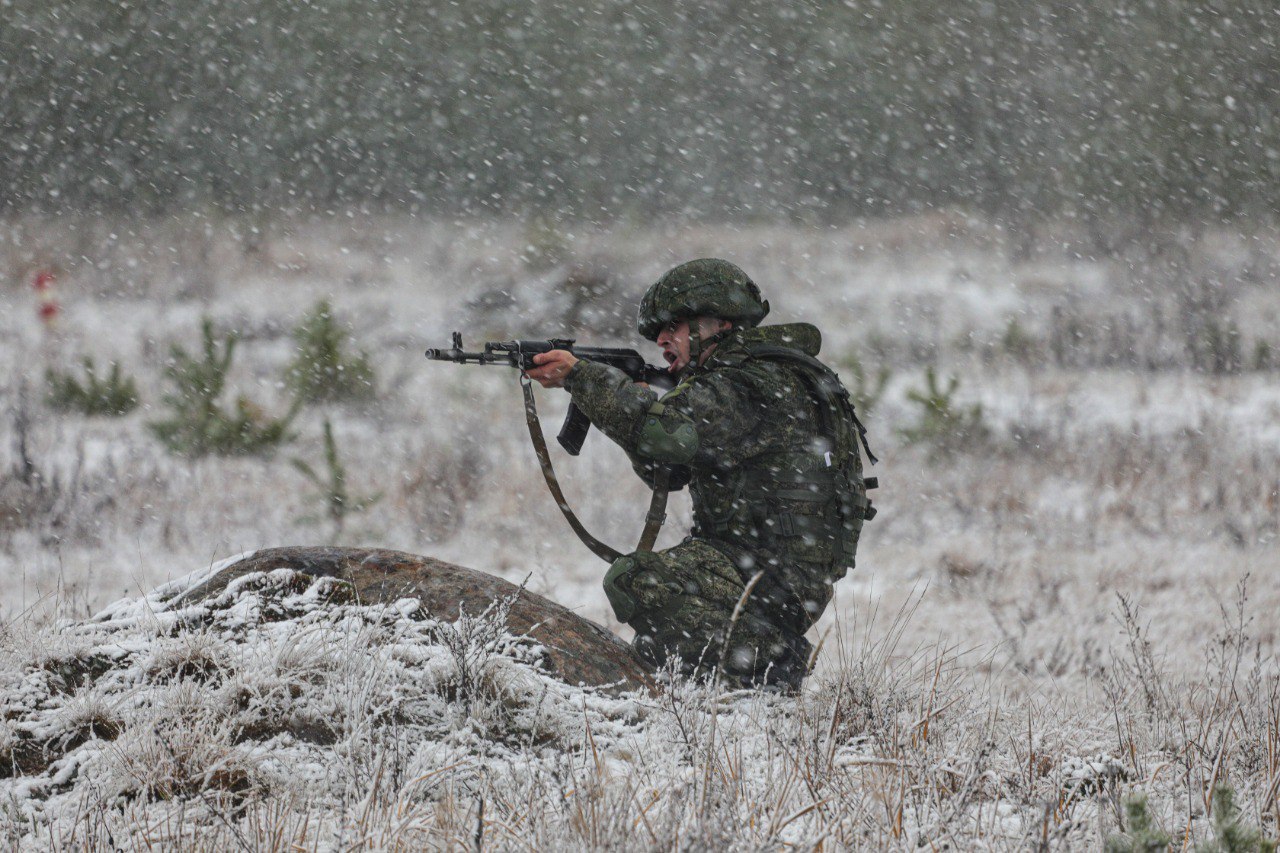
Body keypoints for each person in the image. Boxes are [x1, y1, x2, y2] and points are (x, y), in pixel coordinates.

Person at [526, 258, 875, 690]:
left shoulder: (748, 383)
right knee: (659, 643)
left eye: (673, 327)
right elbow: (667, 471)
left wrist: (584, 379)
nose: (661, 339)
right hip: (771, 565)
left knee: (639, 582)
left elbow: (666, 436)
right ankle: (719, 687)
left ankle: (772, 668)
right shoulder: (751, 376)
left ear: (714, 325)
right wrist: (627, 402)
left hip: (771, 574)